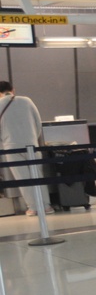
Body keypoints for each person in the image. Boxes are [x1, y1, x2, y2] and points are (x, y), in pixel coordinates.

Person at [0, 81, 52, 215]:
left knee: (23, 178)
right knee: (38, 175)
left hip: (10, 147)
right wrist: (33, 137)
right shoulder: (27, 101)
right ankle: (46, 206)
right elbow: (37, 123)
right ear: (13, 89)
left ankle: (33, 208)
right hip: (31, 144)